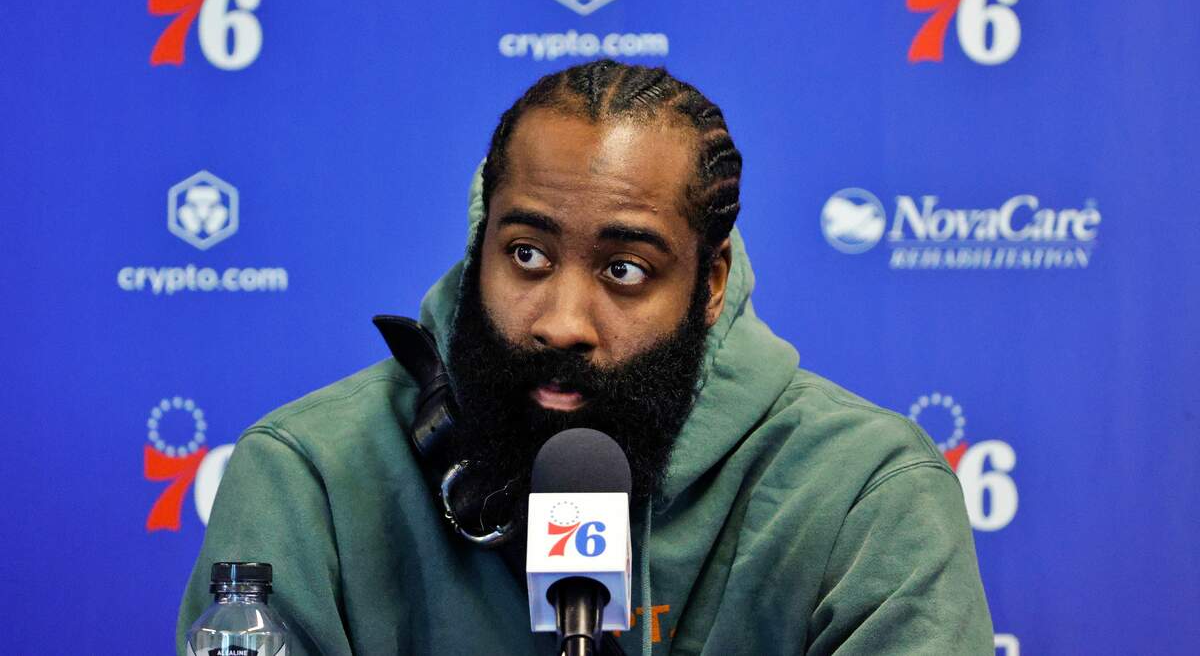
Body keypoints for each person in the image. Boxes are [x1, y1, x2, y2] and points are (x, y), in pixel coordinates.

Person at [176, 60, 993, 655]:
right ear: (480, 246)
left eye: (624, 270)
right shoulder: (310, 476)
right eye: (527, 255)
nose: (563, 322)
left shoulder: (865, 493)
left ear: (709, 284)